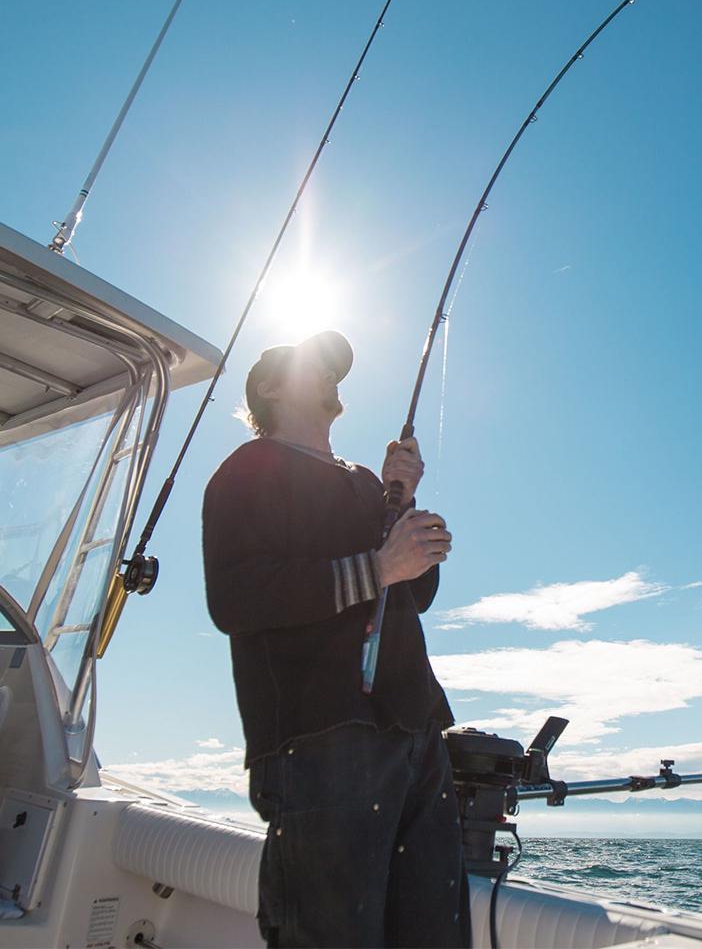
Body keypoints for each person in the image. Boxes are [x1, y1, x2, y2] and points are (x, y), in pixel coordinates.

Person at [203, 331, 464, 948]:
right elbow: (236, 599)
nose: (329, 374)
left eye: (333, 369)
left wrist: (403, 506)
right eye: (312, 366)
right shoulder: (247, 469)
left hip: (416, 727)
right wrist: (379, 567)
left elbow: (413, 597)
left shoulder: (366, 484)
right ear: (267, 389)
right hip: (319, 735)